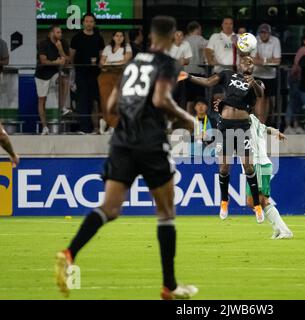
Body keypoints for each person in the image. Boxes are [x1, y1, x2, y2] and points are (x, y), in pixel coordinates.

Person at [55, 16, 198, 300]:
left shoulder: (133, 63)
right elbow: (160, 100)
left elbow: (111, 105)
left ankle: (69, 253)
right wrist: (188, 119)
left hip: (122, 140)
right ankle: (169, 287)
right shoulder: (167, 63)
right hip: (151, 141)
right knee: (166, 214)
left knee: (109, 208)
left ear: (149, 36)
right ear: (172, 38)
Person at [182, 56, 265, 223]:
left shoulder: (257, 82)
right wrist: (189, 77)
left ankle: (257, 206)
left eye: (250, 62)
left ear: (253, 67)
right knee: (224, 168)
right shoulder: (228, 75)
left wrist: (253, 82)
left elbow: (260, 94)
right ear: (239, 65)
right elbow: (208, 82)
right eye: (244, 61)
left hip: (243, 126)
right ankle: (224, 202)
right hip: (225, 126)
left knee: (248, 167)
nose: (247, 64)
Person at [245, 113, 293, 239]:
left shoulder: (247, 119)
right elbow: (267, 128)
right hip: (257, 165)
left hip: (258, 164)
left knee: (258, 201)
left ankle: (284, 230)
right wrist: (277, 133)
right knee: (253, 202)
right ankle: (278, 228)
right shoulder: (253, 120)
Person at [70, 13, 105, 134]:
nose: (89, 23)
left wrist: (100, 64)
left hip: (95, 74)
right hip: (81, 73)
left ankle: (96, 128)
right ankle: (84, 128)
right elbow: (71, 56)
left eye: (91, 21)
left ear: (94, 23)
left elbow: (102, 56)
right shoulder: (77, 38)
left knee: (95, 101)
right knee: (82, 101)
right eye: (87, 21)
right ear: (83, 23)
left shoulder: (99, 38)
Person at [35, 25, 71, 135]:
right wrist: (55, 62)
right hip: (42, 74)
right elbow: (43, 60)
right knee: (42, 100)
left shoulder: (63, 43)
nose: (60, 34)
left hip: (55, 72)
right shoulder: (42, 43)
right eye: (58, 32)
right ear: (51, 33)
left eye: (60, 32)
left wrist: (60, 49)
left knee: (63, 79)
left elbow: (67, 60)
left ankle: (62, 107)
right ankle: (45, 127)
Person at [98, 30, 132, 134]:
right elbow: (101, 62)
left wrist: (109, 63)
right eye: (117, 36)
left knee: (117, 101)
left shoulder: (127, 47)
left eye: (121, 36)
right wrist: (109, 64)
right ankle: (109, 122)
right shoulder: (108, 48)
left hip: (120, 75)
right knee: (105, 100)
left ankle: (113, 124)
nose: (119, 38)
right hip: (106, 76)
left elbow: (125, 61)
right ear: (113, 37)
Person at [285, 32, 305, 134]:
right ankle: (288, 125)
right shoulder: (302, 51)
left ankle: (296, 124)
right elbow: (297, 65)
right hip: (296, 79)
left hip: (304, 81)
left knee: (299, 103)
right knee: (293, 102)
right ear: (304, 41)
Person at [253, 23, 281, 124]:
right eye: (262, 33)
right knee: (260, 98)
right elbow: (253, 60)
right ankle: (259, 122)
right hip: (257, 74)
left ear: (270, 33)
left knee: (267, 99)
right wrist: (269, 61)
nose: (264, 35)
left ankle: (263, 123)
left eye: (266, 33)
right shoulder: (254, 40)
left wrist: (262, 60)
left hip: (270, 75)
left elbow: (277, 61)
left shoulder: (275, 41)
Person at [184, 21, 208, 115]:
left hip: (186, 73)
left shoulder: (184, 40)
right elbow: (210, 46)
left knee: (189, 99)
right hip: (198, 72)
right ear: (197, 29)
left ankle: (188, 119)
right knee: (200, 99)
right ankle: (200, 121)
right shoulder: (199, 39)